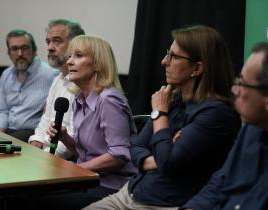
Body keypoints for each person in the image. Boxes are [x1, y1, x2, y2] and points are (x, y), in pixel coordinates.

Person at [84, 25, 238, 210]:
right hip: (129, 193)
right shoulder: (171, 99)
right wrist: (158, 157)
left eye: (174, 56)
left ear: (197, 68)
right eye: (167, 53)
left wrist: (160, 115)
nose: (164, 61)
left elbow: (169, 164)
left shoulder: (215, 114)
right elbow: (135, 147)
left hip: (163, 204)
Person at [43, 35, 137, 210]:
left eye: (78, 55)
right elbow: (87, 152)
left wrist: (76, 169)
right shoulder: (79, 99)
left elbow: (119, 155)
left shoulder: (109, 100)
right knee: (34, 192)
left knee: (43, 200)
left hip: (114, 186)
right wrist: (65, 137)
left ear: (98, 64)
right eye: (70, 56)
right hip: (88, 179)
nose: (70, 61)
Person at [181, 42, 268, 210]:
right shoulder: (251, 129)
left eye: (243, 83)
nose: (235, 90)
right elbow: (219, 182)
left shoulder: (217, 112)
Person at [28, 19, 85, 158]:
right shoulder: (58, 79)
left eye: (57, 41)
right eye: (48, 42)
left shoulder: (83, 84)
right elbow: (46, 119)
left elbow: (74, 138)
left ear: (75, 45)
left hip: (66, 159)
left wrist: (43, 157)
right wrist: (36, 141)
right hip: (46, 154)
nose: (50, 47)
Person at [0, 29, 58, 142]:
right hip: (8, 131)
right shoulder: (6, 74)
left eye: (24, 48)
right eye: (14, 49)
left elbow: (50, 116)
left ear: (35, 51)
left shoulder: (51, 74)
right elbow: (2, 110)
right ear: (9, 53)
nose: (20, 54)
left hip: (32, 133)